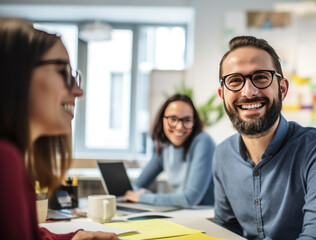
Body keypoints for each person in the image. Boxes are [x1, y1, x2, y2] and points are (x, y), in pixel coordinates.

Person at [214, 36, 316, 240]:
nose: (248, 91)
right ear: (222, 95)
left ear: (282, 89)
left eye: (261, 77)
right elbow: (226, 233)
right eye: (235, 81)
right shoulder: (223, 154)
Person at [0, 18, 119, 240]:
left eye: (74, 76)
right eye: (62, 72)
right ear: (16, 74)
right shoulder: (4, 159)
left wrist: (75, 236)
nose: (78, 91)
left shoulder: (16, 158)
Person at [125, 94, 216, 208]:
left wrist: (143, 197)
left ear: (194, 123)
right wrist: (139, 193)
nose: (179, 127)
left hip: (206, 216)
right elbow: (137, 184)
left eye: (187, 120)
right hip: (182, 213)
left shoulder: (203, 142)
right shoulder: (164, 147)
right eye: (173, 119)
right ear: (162, 119)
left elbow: (190, 199)